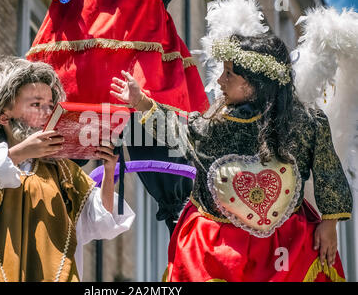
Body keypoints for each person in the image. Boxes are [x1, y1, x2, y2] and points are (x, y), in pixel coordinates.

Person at [110, 33, 353, 282]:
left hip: (286, 244)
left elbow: (328, 171)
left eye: (229, 74)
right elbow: (176, 128)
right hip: (220, 244)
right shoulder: (213, 125)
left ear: (255, 82)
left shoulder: (307, 124)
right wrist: (140, 101)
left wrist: (330, 223)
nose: (219, 80)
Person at [0, 57, 135, 282]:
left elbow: (101, 222)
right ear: (4, 116)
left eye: (50, 106)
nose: (46, 113)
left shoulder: (64, 173)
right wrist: (20, 153)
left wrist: (108, 167)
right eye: (36, 105)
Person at [27, 0, 210, 234]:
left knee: (164, 142)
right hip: (88, 27)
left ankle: (187, 253)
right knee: (50, 156)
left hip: (140, 25)